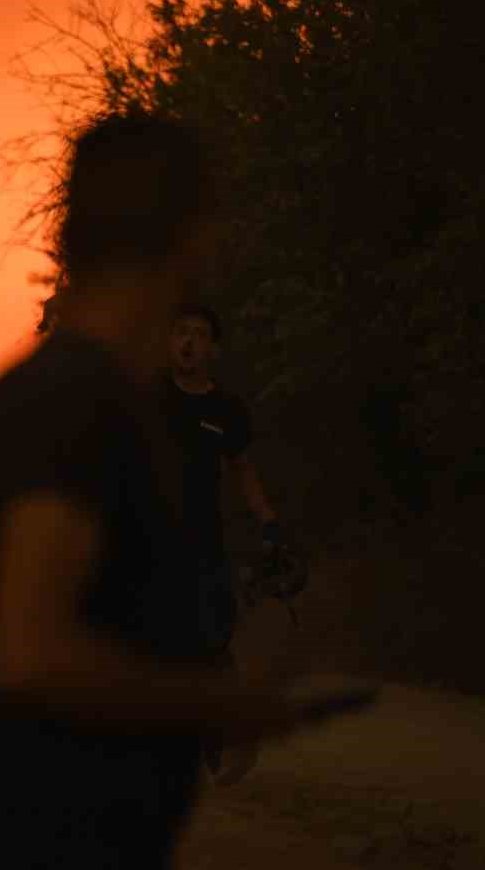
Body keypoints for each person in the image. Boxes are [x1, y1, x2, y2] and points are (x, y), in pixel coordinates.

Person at [0, 112, 374, 869]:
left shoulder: (60, 395)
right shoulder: (77, 405)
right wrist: (226, 705)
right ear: (190, 237)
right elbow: (29, 650)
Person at [161, 302, 283, 786]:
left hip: (205, 544)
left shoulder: (225, 410)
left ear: (214, 348)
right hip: (150, 543)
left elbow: (244, 470)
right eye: (181, 332)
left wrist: (268, 522)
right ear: (169, 342)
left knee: (212, 642)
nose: (189, 342)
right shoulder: (148, 396)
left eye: (199, 334)